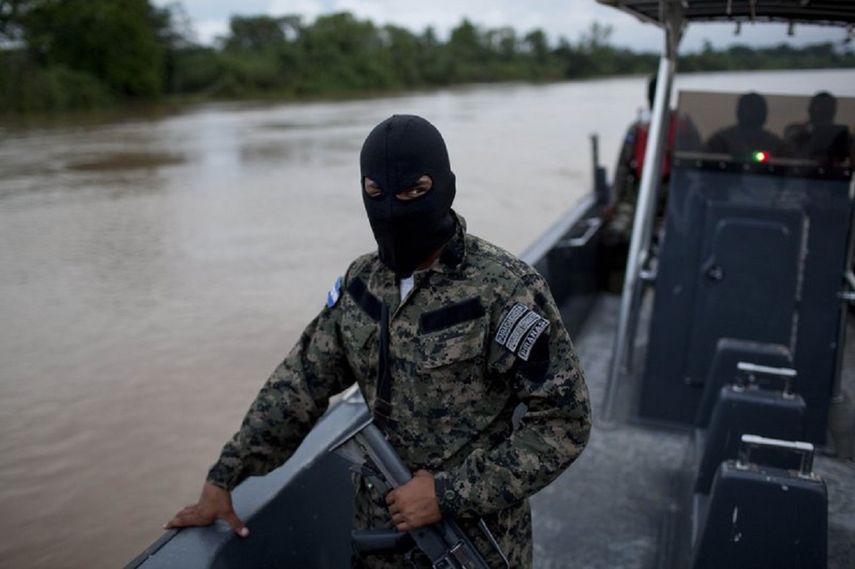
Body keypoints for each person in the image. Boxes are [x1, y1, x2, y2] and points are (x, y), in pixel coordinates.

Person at [164, 114, 592, 568]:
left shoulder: (503, 291)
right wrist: (225, 476)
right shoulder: (361, 285)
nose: (392, 208)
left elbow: (564, 421)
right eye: (375, 194)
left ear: (446, 187)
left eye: (413, 191)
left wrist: (448, 493)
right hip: (377, 538)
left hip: (474, 543)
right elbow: (299, 383)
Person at [601, 75, 700, 292]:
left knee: (676, 240)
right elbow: (622, 169)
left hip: (675, 197)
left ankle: (673, 289)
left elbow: (695, 168)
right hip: (638, 194)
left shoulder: (684, 125)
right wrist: (615, 203)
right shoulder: (637, 128)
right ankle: (618, 289)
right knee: (614, 236)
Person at [704, 92, 785, 160]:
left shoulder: (718, 140)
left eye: (755, 110)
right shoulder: (719, 142)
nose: (751, 113)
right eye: (748, 109)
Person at [784, 91, 852, 166]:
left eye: (826, 108)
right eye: (818, 107)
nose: (821, 111)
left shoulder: (842, 135)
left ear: (833, 111)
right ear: (809, 109)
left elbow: (845, 160)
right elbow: (790, 154)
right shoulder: (794, 130)